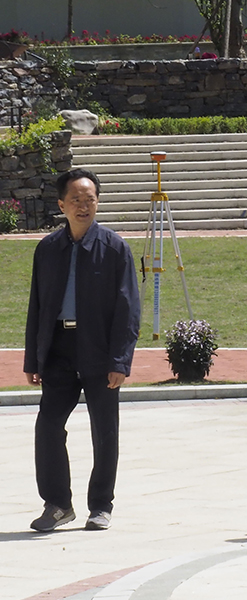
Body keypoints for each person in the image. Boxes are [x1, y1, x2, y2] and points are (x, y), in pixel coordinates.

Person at [24, 168, 141, 532]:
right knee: (48, 426)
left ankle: (101, 506)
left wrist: (120, 360)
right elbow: (37, 306)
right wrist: (33, 359)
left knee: (104, 430)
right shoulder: (47, 249)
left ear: (97, 203)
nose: (83, 206)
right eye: (75, 199)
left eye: (89, 199)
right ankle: (58, 504)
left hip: (99, 350)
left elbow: (128, 309)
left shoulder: (115, 249)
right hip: (59, 350)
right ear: (62, 205)